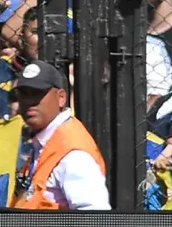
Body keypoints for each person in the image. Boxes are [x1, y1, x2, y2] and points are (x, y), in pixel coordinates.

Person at [10, 60, 111, 210]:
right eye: (24, 94)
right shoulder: (46, 139)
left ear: (61, 97)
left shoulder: (74, 154)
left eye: (37, 94)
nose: (29, 101)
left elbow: (94, 218)